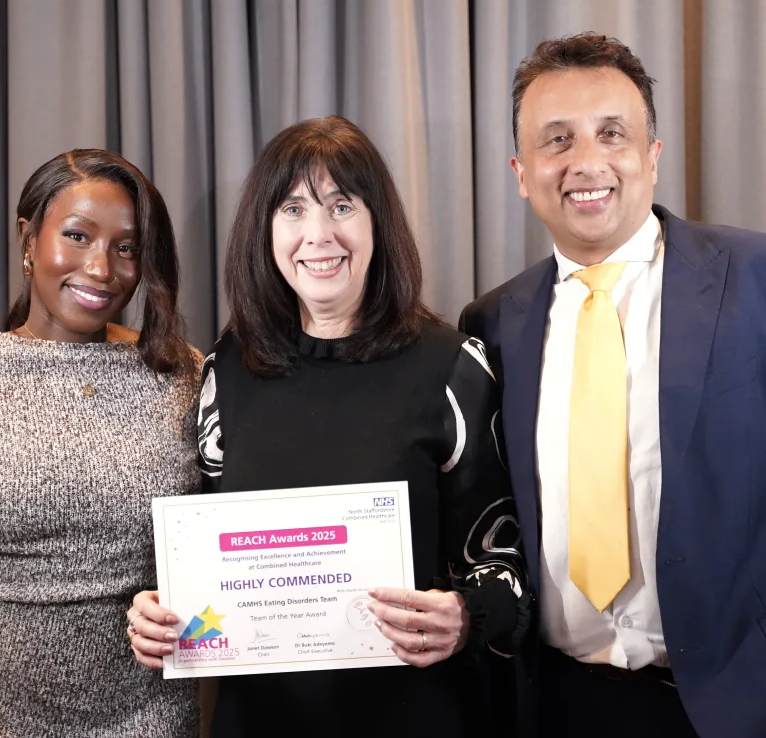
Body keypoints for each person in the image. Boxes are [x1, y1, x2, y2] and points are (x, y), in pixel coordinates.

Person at [459, 31, 766, 738]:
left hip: (744, 706)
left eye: (611, 134)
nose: (587, 162)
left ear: (651, 154)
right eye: (557, 140)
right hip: (557, 705)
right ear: (522, 173)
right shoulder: (491, 323)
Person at [126, 116, 530, 738]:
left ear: (377, 224)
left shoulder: (452, 367)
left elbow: (507, 566)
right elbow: (202, 553)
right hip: (258, 723)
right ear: (265, 230)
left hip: (411, 718)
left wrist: (466, 616)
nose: (318, 234)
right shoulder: (226, 371)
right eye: (293, 210)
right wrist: (161, 609)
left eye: (342, 206)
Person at [0, 149, 203, 737]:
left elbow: (224, 551)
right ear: (29, 239)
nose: (101, 268)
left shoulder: (185, 377)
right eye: (77, 236)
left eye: (127, 248)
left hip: (147, 718)